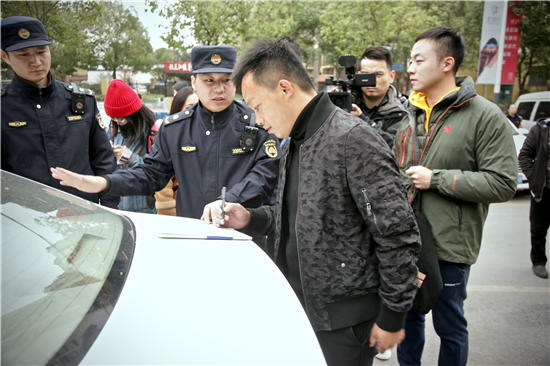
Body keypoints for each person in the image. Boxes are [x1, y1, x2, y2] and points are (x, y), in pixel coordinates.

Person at [202, 38, 421, 366]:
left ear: (285, 89)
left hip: (344, 323)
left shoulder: (352, 139)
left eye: (258, 106)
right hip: (303, 309)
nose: (258, 120)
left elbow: (398, 236)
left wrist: (392, 316)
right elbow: (300, 216)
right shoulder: (296, 140)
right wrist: (248, 218)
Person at [51, 45, 280, 246]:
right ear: (193, 82)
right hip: (192, 240)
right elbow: (150, 174)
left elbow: (264, 176)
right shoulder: (175, 129)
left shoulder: (259, 124)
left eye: (226, 80)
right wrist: (104, 182)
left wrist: (227, 200)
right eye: (208, 80)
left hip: (245, 243)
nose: (218, 88)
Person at [393, 27, 517, 366]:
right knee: (408, 319)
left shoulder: (485, 116)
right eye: (410, 61)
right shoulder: (409, 116)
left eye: (419, 60)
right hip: (406, 241)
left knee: (449, 325)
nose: (411, 69)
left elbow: (503, 183)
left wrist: (438, 179)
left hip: (450, 245)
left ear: (447, 63)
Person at [1, 16, 118, 208]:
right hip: (27, 220)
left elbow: (104, 160)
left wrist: (109, 209)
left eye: (42, 51)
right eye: (24, 54)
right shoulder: (3, 108)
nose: (36, 61)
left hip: (85, 214)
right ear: (5, 56)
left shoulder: (81, 100)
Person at [105, 79, 157, 214]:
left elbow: (156, 173)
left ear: (134, 115)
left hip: (145, 211)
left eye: (121, 119)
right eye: (114, 119)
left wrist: (128, 157)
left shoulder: (154, 133)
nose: (118, 123)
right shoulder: (112, 130)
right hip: (119, 208)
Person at [351, 46, 407, 149]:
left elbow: (394, 148)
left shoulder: (403, 111)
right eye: (365, 75)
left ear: (391, 77)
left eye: (378, 74)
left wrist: (362, 120)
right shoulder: (347, 103)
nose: (372, 81)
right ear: (357, 76)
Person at [155, 86, 199, 216]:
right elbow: (162, 179)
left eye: (198, 106)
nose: (195, 111)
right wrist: (168, 212)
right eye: (189, 107)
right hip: (177, 214)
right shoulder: (170, 134)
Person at [518, 117, 550, 279]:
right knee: (538, 230)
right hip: (544, 190)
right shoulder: (540, 129)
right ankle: (538, 261)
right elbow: (524, 155)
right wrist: (534, 177)